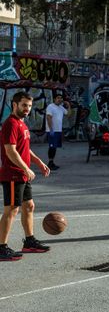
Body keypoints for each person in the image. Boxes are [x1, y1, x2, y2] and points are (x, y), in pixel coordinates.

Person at [0, 91, 51, 261]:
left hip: (22, 174)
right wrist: (26, 168)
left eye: (29, 106)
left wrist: (38, 162)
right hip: (13, 174)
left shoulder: (22, 124)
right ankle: (1, 247)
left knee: (29, 206)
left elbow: (25, 148)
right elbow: (10, 151)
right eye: (24, 105)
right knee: (11, 210)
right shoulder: (11, 124)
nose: (27, 109)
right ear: (14, 105)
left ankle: (29, 241)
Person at [45, 94, 71, 170]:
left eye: (61, 98)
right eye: (58, 98)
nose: (60, 99)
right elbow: (48, 117)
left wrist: (68, 105)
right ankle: (50, 163)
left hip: (58, 130)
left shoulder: (61, 107)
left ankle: (52, 162)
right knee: (52, 147)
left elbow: (68, 114)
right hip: (52, 130)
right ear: (54, 99)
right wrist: (51, 129)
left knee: (55, 147)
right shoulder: (50, 106)